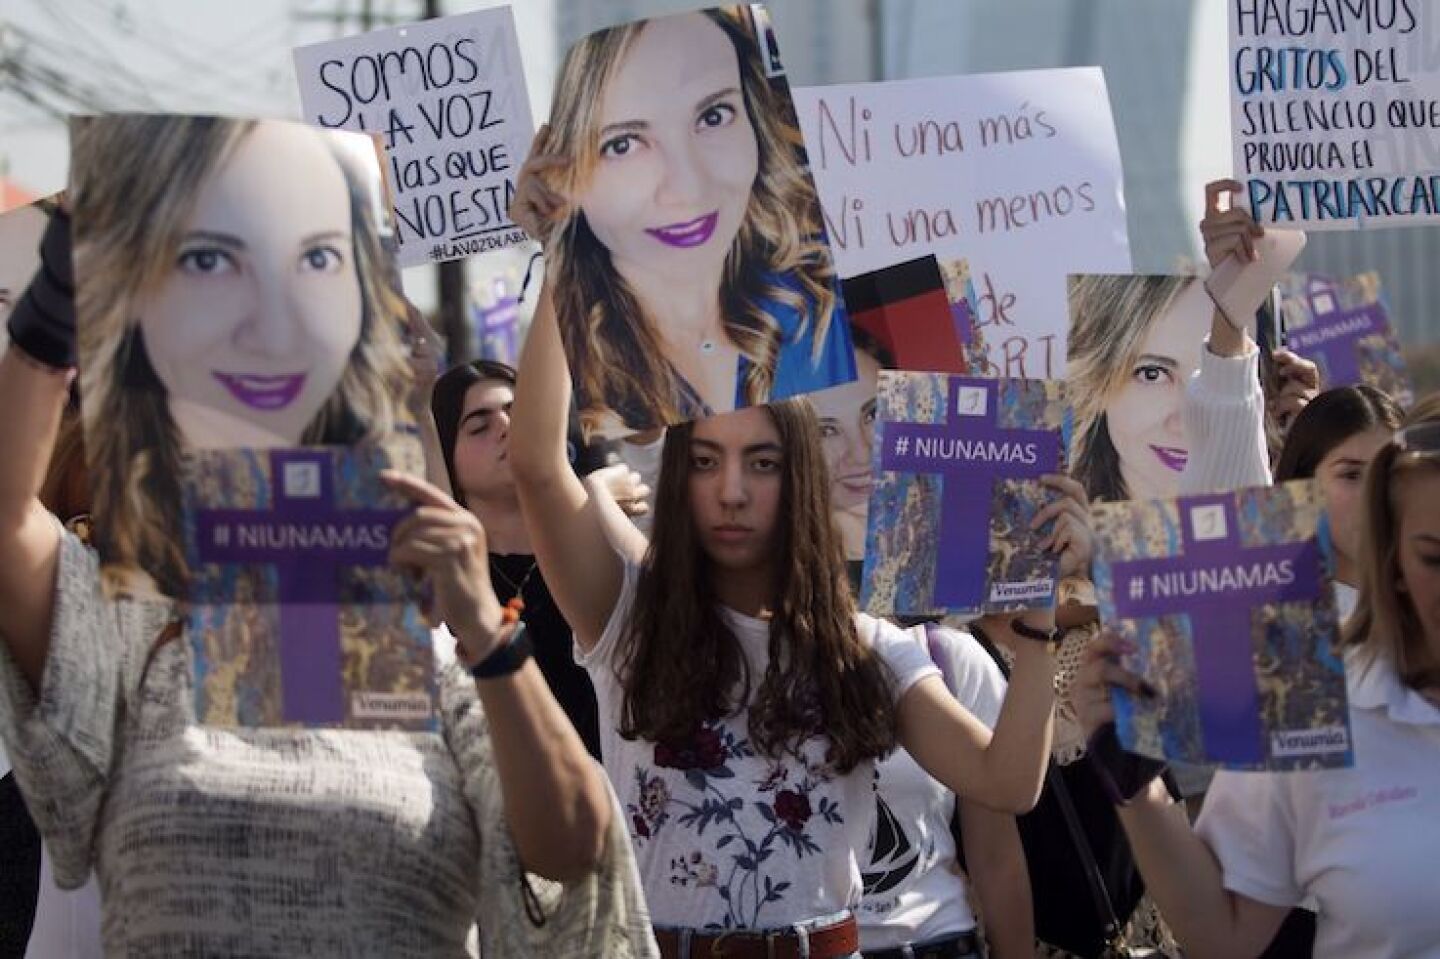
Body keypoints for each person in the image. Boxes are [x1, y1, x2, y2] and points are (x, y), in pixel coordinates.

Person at [0, 117, 656, 957]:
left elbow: (568, 851)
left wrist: (484, 632)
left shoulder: (434, 674)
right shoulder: (131, 654)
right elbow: (10, 515)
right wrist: (60, 292)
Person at [509, 145, 1061, 959]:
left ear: (798, 479)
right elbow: (535, 463)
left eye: (762, 462)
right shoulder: (627, 613)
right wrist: (566, 251)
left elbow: (1008, 781)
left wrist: (1043, 636)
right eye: (705, 461)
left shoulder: (868, 648)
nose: (731, 489)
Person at [1073, 394, 1440, 958]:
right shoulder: (1307, 697)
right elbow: (1227, 936)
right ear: (1394, 562)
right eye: (1434, 556)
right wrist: (1138, 786)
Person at [533, 7, 855, 434]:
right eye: (623, 143)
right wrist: (551, 239)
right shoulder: (561, 377)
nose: (688, 188)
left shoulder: (826, 306)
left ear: (755, 124)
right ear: (565, 176)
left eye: (713, 116)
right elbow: (537, 474)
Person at [431, 357, 611, 758]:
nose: (507, 429)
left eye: (517, 412)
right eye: (479, 426)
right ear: (447, 458)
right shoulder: (445, 576)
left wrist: (596, 504)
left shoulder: (599, 536)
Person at [1274, 385, 1405, 620]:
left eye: (1389, 472)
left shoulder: (1425, 614)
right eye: (1351, 475)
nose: (1373, 494)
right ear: (1304, 485)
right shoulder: (1281, 629)